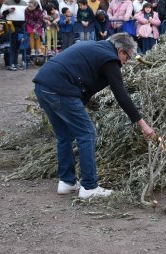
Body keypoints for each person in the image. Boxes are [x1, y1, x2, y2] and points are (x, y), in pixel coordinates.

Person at [33, 33, 156, 198]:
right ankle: (89, 187)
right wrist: (143, 125)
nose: (126, 62)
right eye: (127, 57)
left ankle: (67, 182)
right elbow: (122, 96)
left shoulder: (96, 48)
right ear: (121, 51)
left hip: (43, 86)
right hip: (61, 90)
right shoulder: (110, 59)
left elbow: (82, 76)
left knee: (65, 136)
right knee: (87, 134)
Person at [0, 0, 28, 70]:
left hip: (22, 25)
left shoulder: (24, 3)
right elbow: (1, 13)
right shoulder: (7, 2)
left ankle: (15, 62)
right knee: (12, 45)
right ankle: (11, 63)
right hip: (11, 25)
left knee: (18, 45)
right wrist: (8, 11)